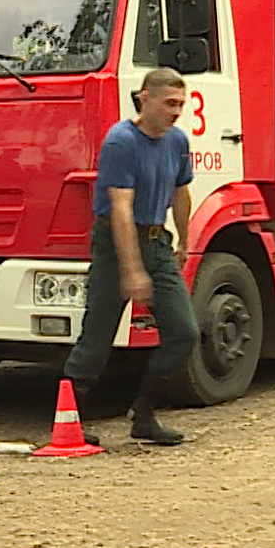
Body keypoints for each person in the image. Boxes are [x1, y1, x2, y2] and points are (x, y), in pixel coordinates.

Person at [60, 68, 198, 444]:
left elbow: (181, 192)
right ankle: (69, 420)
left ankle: (144, 413)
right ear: (144, 99)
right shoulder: (121, 142)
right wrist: (132, 270)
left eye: (180, 104)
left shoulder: (178, 142)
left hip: (156, 240)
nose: (176, 111)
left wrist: (185, 240)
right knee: (98, 336)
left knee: (184, 332)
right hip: (116, 241)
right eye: (169, 103)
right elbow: (120, 208)